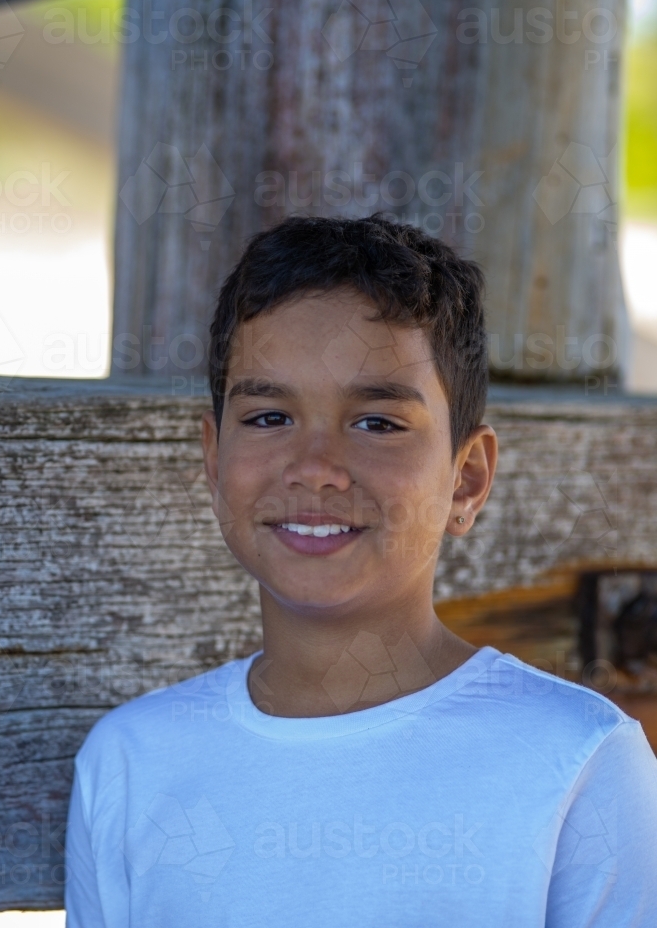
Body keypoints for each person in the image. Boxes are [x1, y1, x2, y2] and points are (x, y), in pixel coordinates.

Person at [65, 215, 657, 927]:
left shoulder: (577, 759)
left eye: (376, 423)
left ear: (465, 480)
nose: (315, 467)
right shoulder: (133, 764)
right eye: (268, 417)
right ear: (213, 458)